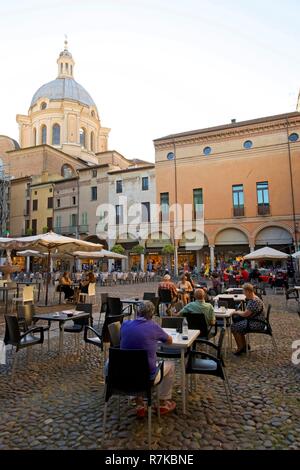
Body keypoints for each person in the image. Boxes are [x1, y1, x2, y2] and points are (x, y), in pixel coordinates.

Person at [120, 301, 176, 417]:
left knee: (129, 362)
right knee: (170, 365)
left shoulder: (125, 324)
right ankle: (162, 402)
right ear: (152, 315)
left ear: (137, 312)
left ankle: (139, 403)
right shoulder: (153, 326)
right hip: (147, 375)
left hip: (125, 372)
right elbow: (169, 341)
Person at [231, 283, 265, 355]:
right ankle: (244, 346)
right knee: (238, 325)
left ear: (248, 291)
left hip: (257, 323)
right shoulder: (254, 298)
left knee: (234, 327)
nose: (244, 293)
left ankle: (240, 348)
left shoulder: (254, 301)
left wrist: (236, 312)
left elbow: (245, 314)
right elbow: (247, 313)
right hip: (256, 321)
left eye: (244, 291)